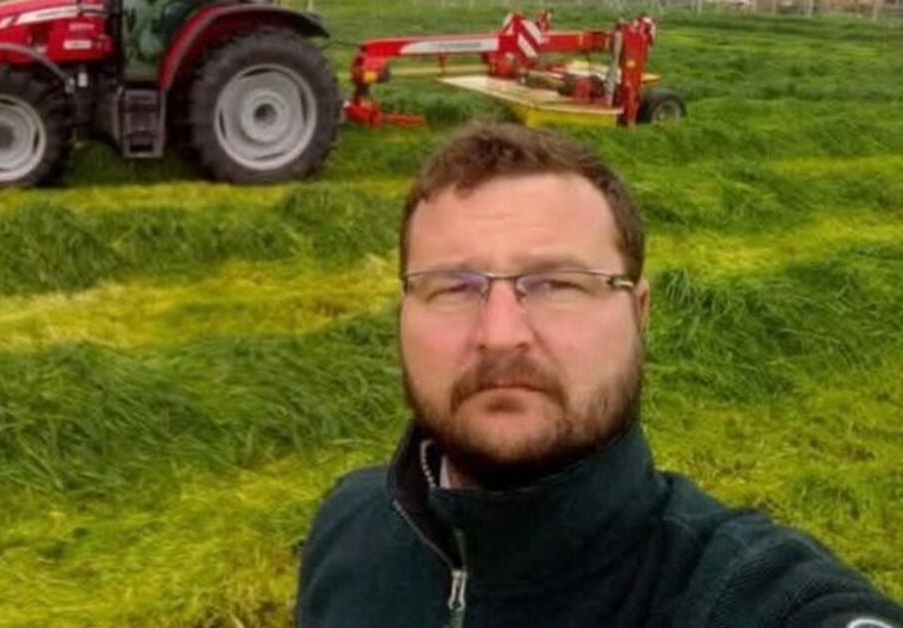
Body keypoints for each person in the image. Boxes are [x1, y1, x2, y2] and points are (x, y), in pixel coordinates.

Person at [294, 123, 902, 628]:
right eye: (453, 287)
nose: (500, 334)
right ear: (403, 313)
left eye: (557, 284)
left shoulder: (741, 594)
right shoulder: (348, 525)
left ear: (638, 313)